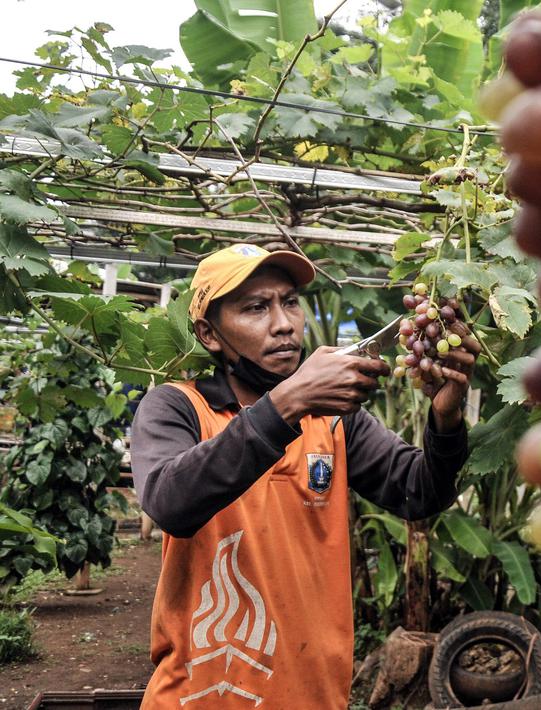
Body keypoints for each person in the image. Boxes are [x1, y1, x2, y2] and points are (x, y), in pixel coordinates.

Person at [130, 244, 476, 709]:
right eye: (256, 307)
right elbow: (170, 502)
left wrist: (446, 419)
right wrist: (288, 403)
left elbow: (419, 491)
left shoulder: (335, 419)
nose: (284, 324)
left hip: (315, 697)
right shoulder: (177, 407)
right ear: (209, 334)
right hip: (205, 697)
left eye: (289, 301)